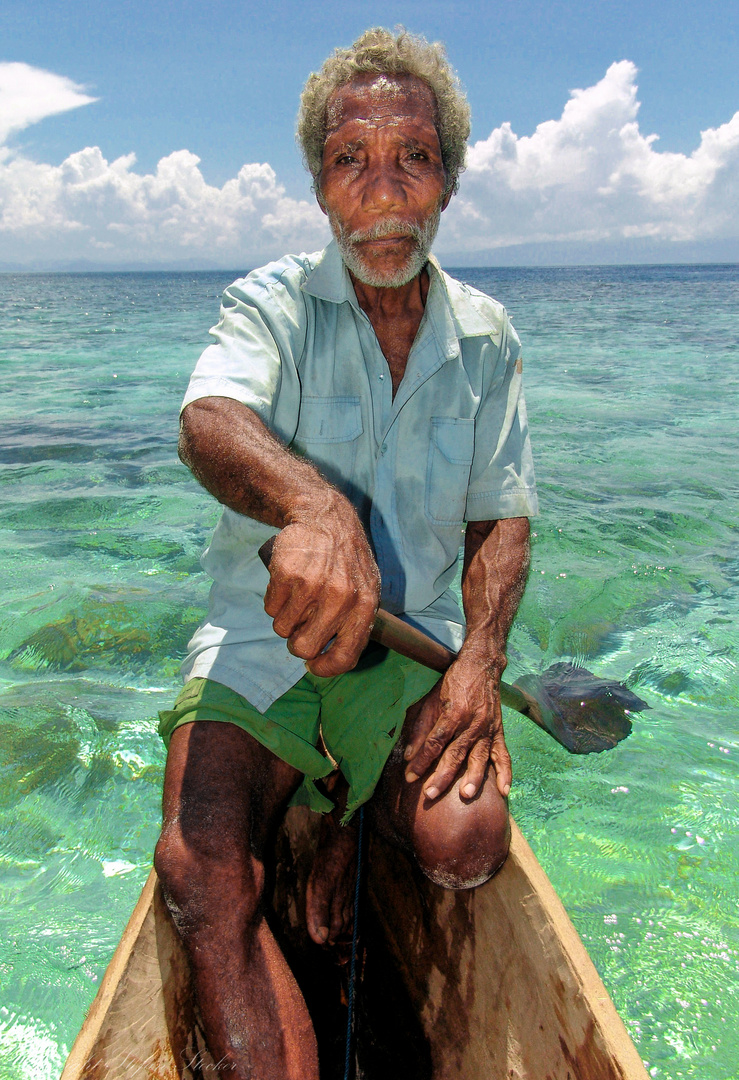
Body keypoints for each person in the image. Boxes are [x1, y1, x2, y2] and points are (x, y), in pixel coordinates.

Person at [154, 26, 537, 1080]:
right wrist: (310, 505)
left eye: (411, 158)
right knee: (199, 872)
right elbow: (210, 418)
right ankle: (321, 823)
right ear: (319, 183)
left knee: (466, 850)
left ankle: (351, 821)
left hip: (412, 654)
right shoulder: (268, 304)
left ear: (448, 181)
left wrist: (480, 662)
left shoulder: (489, 340)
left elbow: (500, 517)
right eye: (350, 159)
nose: (382, 192)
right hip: (263, 641)